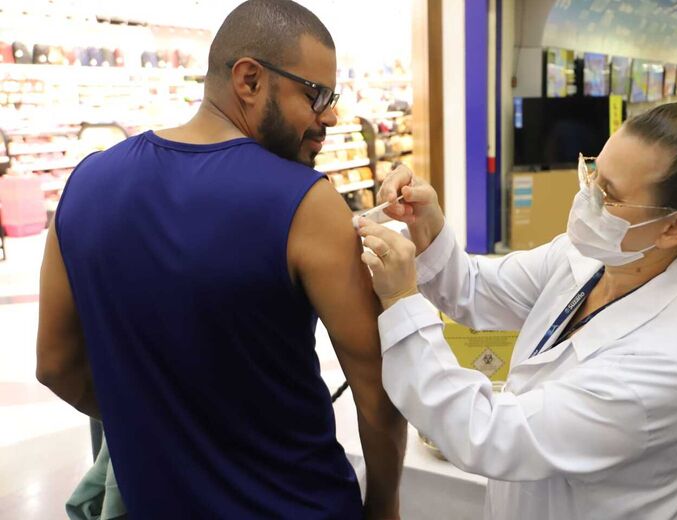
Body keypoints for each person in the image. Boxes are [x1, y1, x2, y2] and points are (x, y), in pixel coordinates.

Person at [35, 1, 406, 518]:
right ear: (249, 80)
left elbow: (55, 366)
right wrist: (384, 504)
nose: (331, 115)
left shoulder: (86, 186)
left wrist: (162, 425)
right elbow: (376, 391)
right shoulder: (306, 202)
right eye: (315, 94)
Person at [359, 103, 677, 519]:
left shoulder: (673, 363)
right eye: (592, 172)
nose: (586, 197)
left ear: (673, 227)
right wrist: (426, 225)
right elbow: (476, 287)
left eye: (608, 195)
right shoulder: (598, 259)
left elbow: (488, 434)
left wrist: (402, 302)